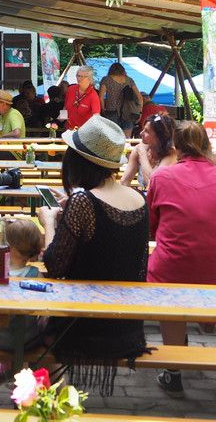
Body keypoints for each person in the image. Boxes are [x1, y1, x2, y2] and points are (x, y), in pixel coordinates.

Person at [37, 115, 150, 393]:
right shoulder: (139, 198)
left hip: (82, 326)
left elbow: (54, 265)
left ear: (77, 161)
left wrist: (49, 222)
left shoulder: (83, 201)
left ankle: (50, 398)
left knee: (26, 328)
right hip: (127, 326)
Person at [147, 121, 216, 399]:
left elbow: (151, 228)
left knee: (168, 280)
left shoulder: (161, 178)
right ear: (208, 146)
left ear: (176, 148)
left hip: (170, 273)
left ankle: (173, 371)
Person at [0, 218, 44, 384]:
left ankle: (6, 364)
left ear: (8, 247)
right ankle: (16, 370)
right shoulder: (36, 275)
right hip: (28, 339)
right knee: (35, 324)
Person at [119, 113, 177, 189]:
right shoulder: (139, 149)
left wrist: (142, 155)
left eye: (146, 131)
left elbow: (154, 183)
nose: (141, 133)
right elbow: (124, 181)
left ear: (159, 137)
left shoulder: (171, 154)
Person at [99, 63, 142, 136]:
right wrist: (140, 112)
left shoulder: (106, 79)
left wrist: (103, 110)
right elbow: (140, 98)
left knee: (112, 138)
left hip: (111, 112)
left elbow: (101, 97)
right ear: (123, 70)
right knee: (126, 138)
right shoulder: (129, 80)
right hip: (128, 112)